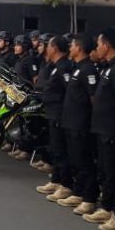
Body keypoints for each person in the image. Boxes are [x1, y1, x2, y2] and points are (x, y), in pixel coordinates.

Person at [87, 28, 115, 230]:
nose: (97, 48)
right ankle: (106, 207)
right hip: (102, 128)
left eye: (99, 44)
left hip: (113, 130)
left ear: (106, 45)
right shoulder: (108, 67)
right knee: (105, 171)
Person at [56, 33, 98, 213]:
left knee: (84, 161)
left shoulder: (88, 69)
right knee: (75, 160)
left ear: (79, 48)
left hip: (81, 124)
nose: (70, 48)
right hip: (70, 122)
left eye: (72, 45)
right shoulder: (77, 67)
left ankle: (89, 197)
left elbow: (93, 97)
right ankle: (78, 192)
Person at [37, 35, 74, 201]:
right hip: (52, 112)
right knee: (55, 148)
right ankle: (56, 179)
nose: (47, 49)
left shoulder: (64, 66)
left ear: (55, 48)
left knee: (61, 150)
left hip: (60, 114)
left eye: (49, 46)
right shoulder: (55, 66)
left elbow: (69, 90)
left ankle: (65, 185)